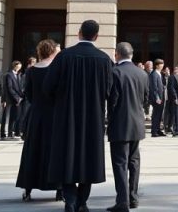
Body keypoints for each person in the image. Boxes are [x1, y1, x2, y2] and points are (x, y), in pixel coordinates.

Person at [43, 20, 115, 212]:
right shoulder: (104, 59)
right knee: (89, 158)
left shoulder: (64, 56)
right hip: (93, 117)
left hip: (66, 116)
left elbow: (48, 86)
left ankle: (71, 199)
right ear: (97, 36)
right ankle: (82, 201)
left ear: (79, 33)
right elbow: (110, 91)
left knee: (65, 157)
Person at [16, 39, 62, 203]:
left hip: (36, 114)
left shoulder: (32, 70)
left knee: (32, 150)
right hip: (54, 115)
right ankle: (59, 189)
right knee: (55, 151)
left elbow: (27, 93)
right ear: (52, 51)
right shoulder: (57, 69)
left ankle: (28, 188)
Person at [108, 42, 150, 212]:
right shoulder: (142, 73)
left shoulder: (115, 72)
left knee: (120, 163)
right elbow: (146, 99)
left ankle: (122, 201)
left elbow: (113, 100)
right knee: (134, 162)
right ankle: (133, 197)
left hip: (120, 124)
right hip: (137, 123)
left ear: (117, 54)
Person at [1, 60, 22, 140]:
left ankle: (10, 133)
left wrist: (20, 97)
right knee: (5, 117)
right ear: (15, 66)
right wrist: (17, 98)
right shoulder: (8, 75)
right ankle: (3, 134)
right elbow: (8, 88)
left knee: (13, 117)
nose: (19, 68)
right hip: (8, 99)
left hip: (15, 100)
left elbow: (18, 88)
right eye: (18, 66)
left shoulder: (18, 75)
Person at [17, 56, 36, 136]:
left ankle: (21, 130)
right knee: (24, 114)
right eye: (34, 62)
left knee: (24, 114)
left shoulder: (29, 71)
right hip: (26, 97)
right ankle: (21, 131)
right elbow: (23, 86)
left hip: (28, 96)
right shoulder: (28, 72)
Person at [165, 63, 178, 136]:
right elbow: (172, 88)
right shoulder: (172, 77)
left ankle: (177, 130)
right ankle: (175, 130)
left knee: (177, 115)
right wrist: (175, 97)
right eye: (177, 69)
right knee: (175, 115)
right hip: (174, 99)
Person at [149, 59, 165, 137]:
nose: (162, 65)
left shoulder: (159, 73)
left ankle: (158, 130)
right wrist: (157, 97)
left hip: (161, 98)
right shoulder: (154, 74)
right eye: (161, 64)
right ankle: (154, 131)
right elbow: (153, 87)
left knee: (159, 115)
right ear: (157, 65)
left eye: (162, 64)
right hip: (157, 98)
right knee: (156, 115)